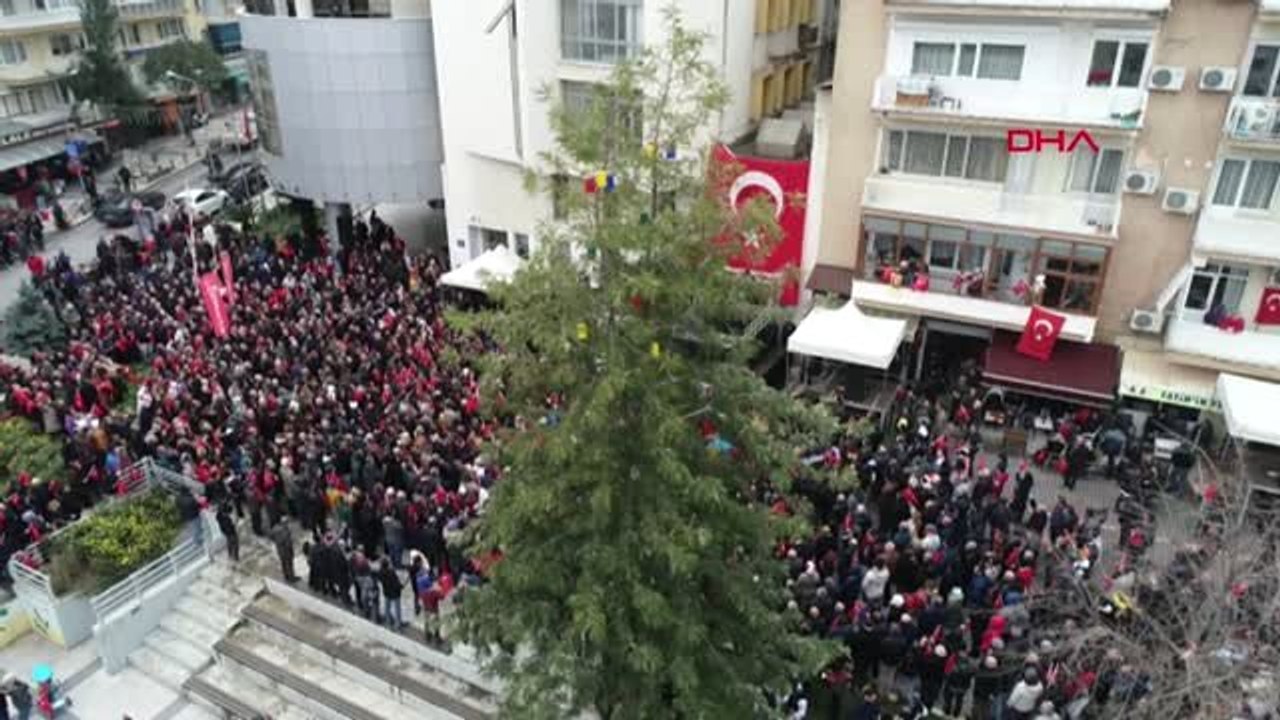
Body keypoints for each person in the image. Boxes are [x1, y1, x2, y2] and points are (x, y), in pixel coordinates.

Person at [378, 560, 404, 629]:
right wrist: (400, 586)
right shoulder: (391, 572)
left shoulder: (380, 572)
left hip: (386, 592)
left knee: (387, 608)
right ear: (388, 565)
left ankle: (388, 621)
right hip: (395, 593)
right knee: (397, 608)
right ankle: (398, 623)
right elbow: (396, 582)